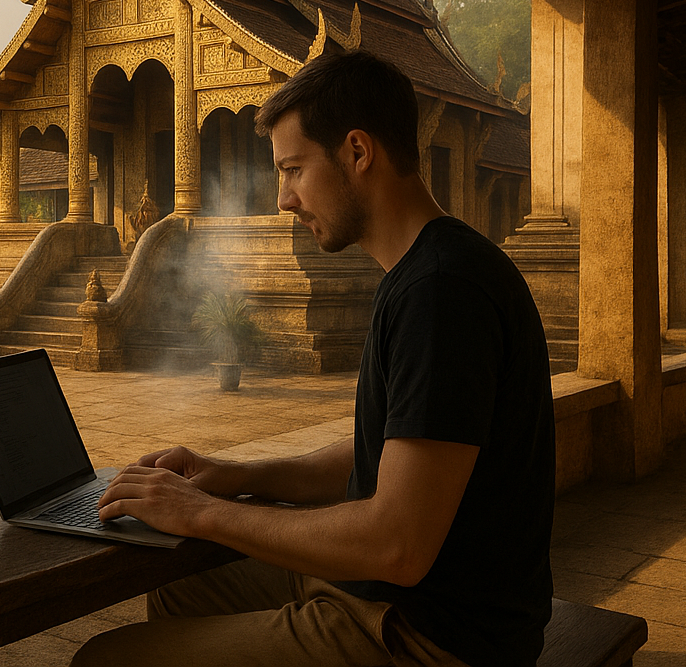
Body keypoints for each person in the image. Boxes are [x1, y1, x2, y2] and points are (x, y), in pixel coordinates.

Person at [75, 51, 554, 667]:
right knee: (182, 580)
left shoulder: (442, 293)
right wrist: (237, 477)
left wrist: (201, 510)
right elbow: (383, 455)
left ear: (358, 152)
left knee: (106, 659)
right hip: (385, 594)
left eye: (294, 170)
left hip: (429, 635)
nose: (284, 199)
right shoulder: (422, 271)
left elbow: (397, 545)